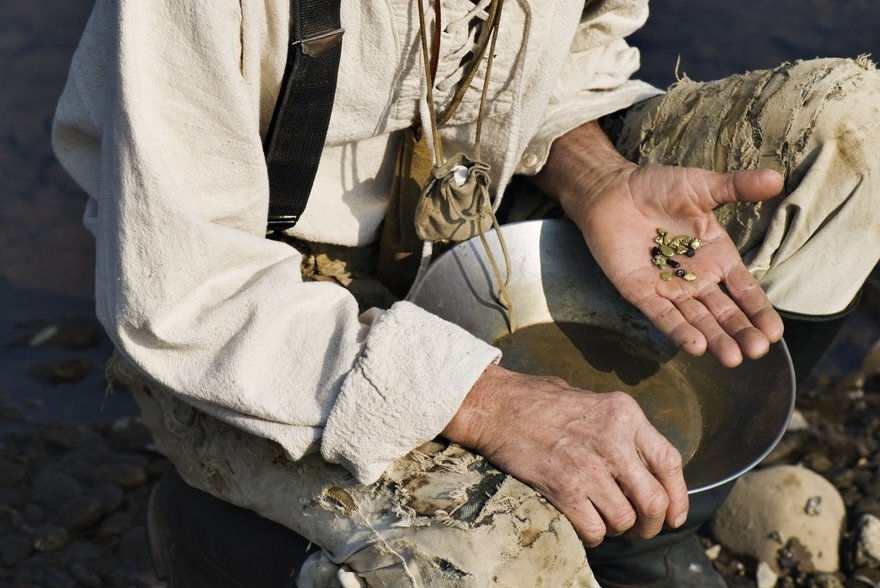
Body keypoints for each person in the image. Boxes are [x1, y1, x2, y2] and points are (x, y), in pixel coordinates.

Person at [52, 0, 879, 586]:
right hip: (262, 297)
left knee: (855, 133)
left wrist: (597, 177)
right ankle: (224, 543)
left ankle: (640, 541)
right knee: (492, 565)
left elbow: (567, 48)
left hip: (472, 205)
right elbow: (184, 293)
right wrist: (487, 399)